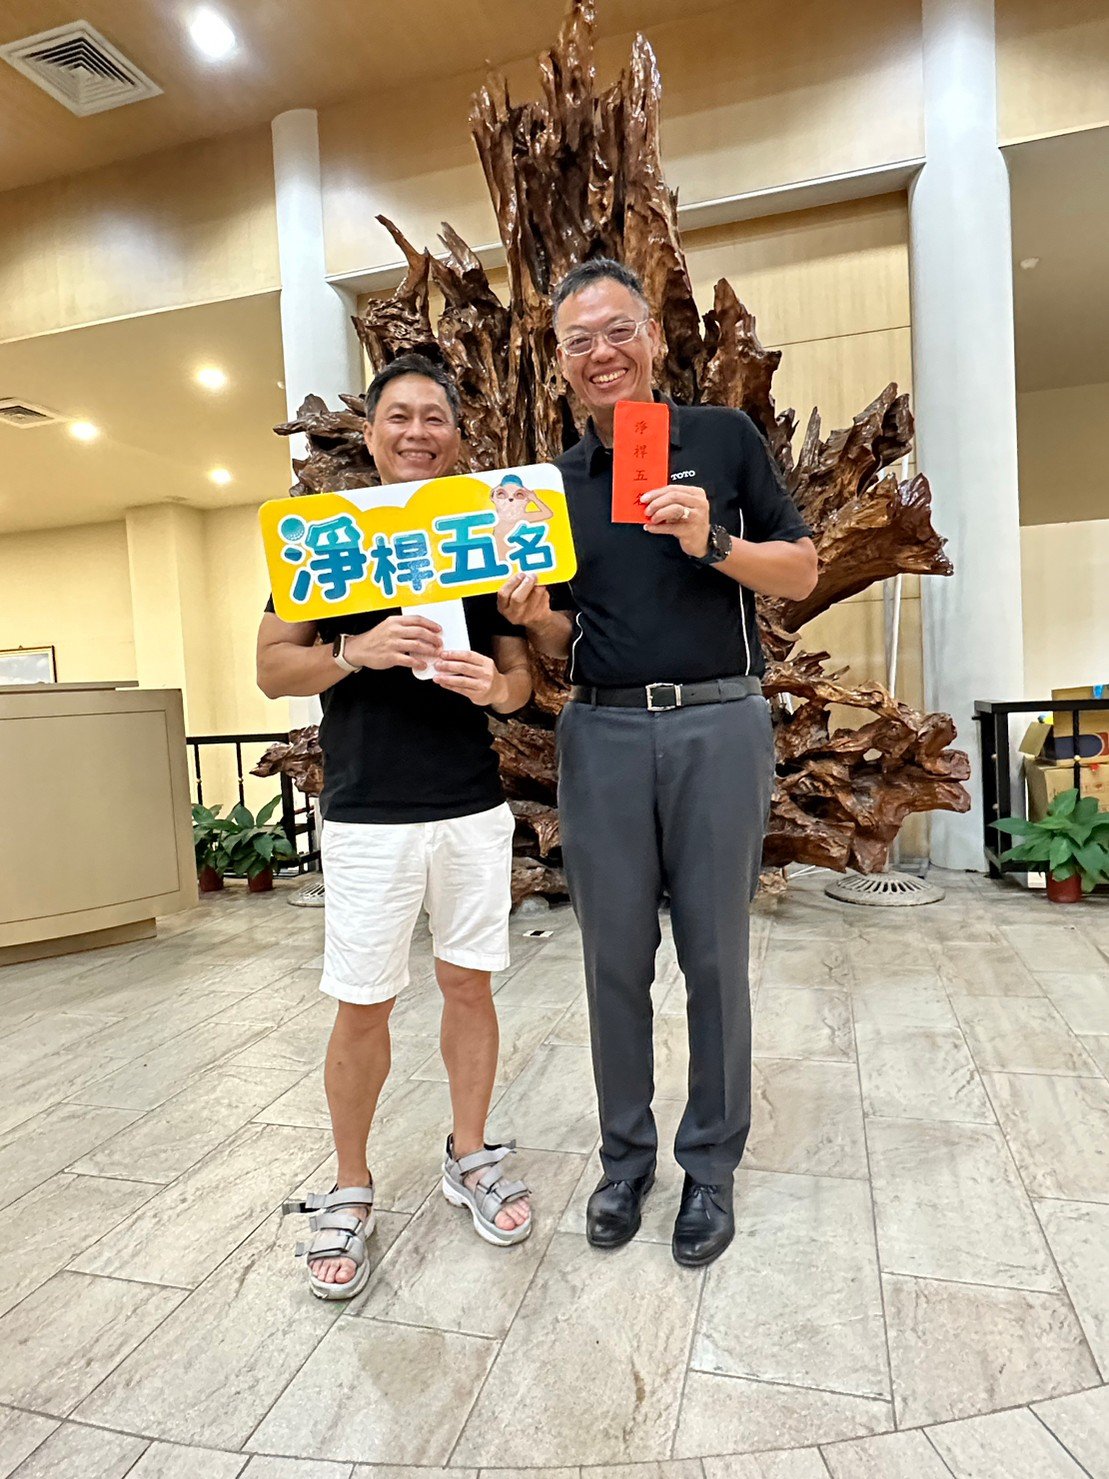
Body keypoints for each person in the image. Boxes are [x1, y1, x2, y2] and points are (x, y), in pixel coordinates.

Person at [500, 259, 818, 1268]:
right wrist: (532, 617)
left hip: (717, 723)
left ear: (651, 337)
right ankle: (623, 1160)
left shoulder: (720, 440)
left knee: (714, 954)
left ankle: (709, 1165)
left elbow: (799, 566)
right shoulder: (552, 485)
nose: (601, 353)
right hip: (600, 730)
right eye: (578, 340)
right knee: (612, 958)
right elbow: (564, 642)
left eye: (616, 331)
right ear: (559, 361)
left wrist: (711, 540)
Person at [258, 353, 533, 1300]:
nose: (418, 432)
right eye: (399, 416)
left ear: (457, 435)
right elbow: (272, 667)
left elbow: (520, 679)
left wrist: (495, 686)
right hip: (368, 809)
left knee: (469, 984)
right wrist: (355, 649)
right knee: (362, 998)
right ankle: (350, 1185)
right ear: (370, 434)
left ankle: (470, 1154)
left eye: (434, 417)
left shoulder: (482, 535)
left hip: (470, 801)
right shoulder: (326, 539)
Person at [490, 474, 554, 562]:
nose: (510, 499)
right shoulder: (495, 516)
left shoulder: (523, 517)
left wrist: (534, 499)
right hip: (497, 558)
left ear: (526, 500)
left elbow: (548, 514)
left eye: (518, 495)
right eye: (502, 494)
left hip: (516, 559)